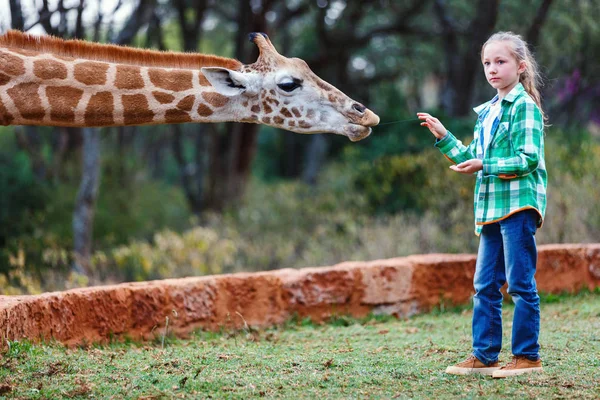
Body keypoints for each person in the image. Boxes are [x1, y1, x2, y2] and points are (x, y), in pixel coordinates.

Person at [417, 31, 547, 378]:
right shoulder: (487, 111)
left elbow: (529, 159)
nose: (492, 69)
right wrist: (444, 136)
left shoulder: (524, 107)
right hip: (489, 209)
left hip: (518, 207)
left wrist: (485, 165)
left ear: (520, 67)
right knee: (485, 285)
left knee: (520, 284)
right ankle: (485, 355)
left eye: (500, 61)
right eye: (487, 63)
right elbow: (473, 158)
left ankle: (527, 356)